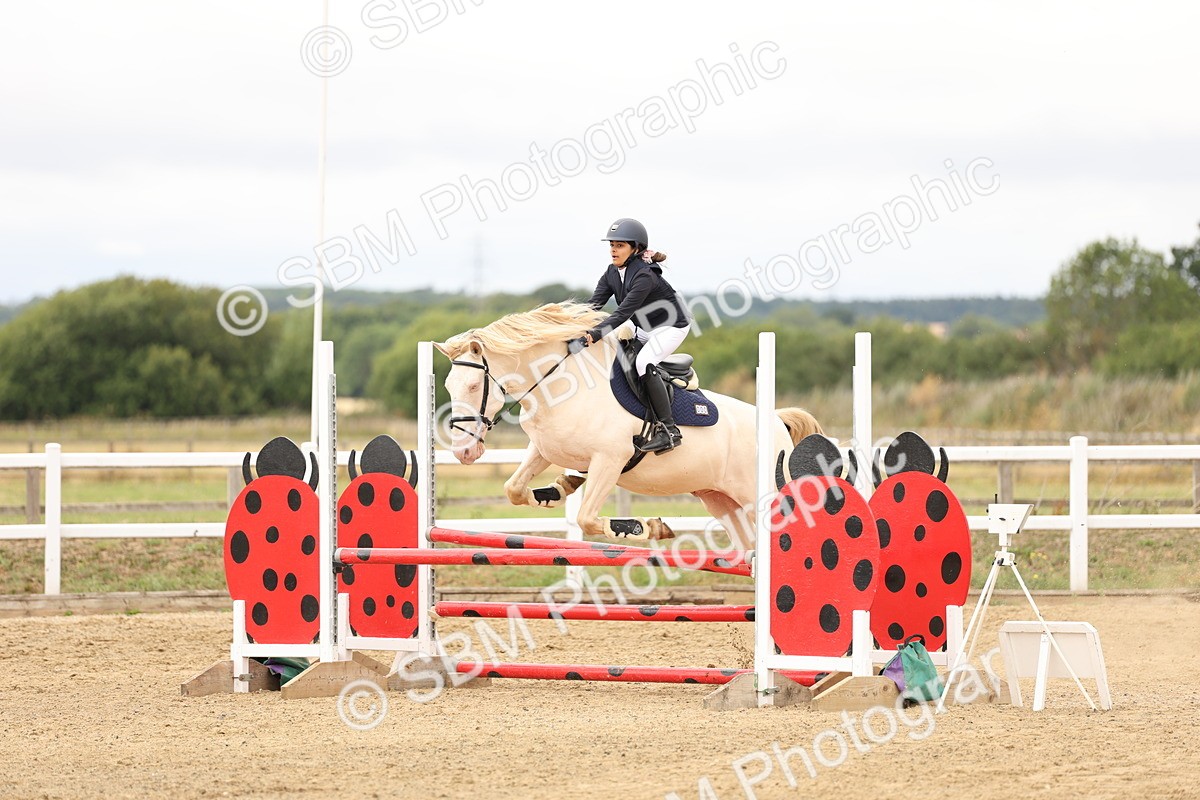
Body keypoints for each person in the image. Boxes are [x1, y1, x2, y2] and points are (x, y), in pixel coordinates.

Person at [576, 217, 691, 453]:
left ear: (635, 249)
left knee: (643, 363)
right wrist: (570, 326)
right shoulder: (612, 273)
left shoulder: (645, 275)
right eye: (611, 245)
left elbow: (622, 313)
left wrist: (593, 335)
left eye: (619, 246)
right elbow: (593, 305)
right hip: (644, 328)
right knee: (616, 356)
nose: (613, 250)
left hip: (671, 327)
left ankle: (669, 430)